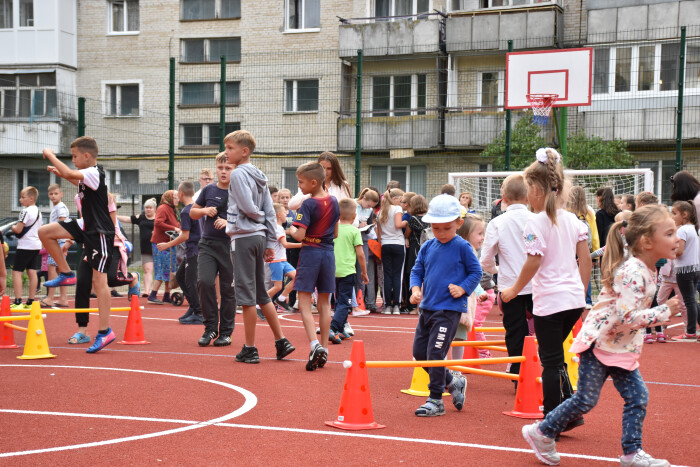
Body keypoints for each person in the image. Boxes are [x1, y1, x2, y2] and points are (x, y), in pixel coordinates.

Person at [522, 205, 679, 467]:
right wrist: (664, 311)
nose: (677, 239)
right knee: (586, 400)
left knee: (637, 397)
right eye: (670, 233)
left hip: (619, 348)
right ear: (647, 242)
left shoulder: (647, 269)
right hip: (599, 344)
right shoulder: (633, 273)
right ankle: (541, 432)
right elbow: (628, 316)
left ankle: (631, 453)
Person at [500, 148, 592, 421]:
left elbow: (532, 263)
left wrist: (513, 290)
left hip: (550, 303)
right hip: (573, 300)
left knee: (550, 362)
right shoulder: (574, 221)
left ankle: (553, 419)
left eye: (528, 188)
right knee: (555, 356)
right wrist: (581, 293)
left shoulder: (534, 223)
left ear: (536, 190)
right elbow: (585, 260)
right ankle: (569, 410)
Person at [39, 138, 116, 353]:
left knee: (99, 282)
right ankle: (65, 272)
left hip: (99, 232)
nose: (72, 160)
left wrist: (52, 154)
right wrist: (60, 172)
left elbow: (73, 174)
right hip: (86, 225)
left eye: (74, 157)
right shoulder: (89, 177)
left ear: (86, 156)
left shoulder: (93, 171)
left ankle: (104, 331)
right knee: (45, 232)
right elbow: (74, 179)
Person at [225, 130, 295, 363]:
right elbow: (269, 207)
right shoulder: (259, 174)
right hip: (258, 237)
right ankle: (281, 340)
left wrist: (255, 219)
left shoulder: (237, 175)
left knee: (246, 294)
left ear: (244, 151)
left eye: (230, 148)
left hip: (244, 237)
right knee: (261, 293)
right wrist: (266, 235)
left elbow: (248, 205)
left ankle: (250, 348)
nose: (226, 153)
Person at [409, 194, 481, 417]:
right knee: (420, 353)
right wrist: (415, 290)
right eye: (435, 228)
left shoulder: (462, 246)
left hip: (448, 310)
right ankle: (452, 381)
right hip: (427, 308)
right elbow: (417, 271)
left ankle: (436, 399)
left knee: (435, 353)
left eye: (446, 228)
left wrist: (463, 288)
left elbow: (476, 272)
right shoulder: (428, 246)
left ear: (459, 224)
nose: (439, 233)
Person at [480, 174, 535, 377]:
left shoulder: (497, 223)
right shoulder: (537, 220)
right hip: (537, 284)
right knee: (545, 330)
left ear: (503, 196)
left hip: (510, 286)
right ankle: (548, 370)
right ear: (528, 196)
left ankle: (517, 375)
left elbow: (486, 259)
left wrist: (497, 270)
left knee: (515, 331)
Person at [291, 161, 340, 371]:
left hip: (311, 253)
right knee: (324, 304)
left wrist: (290, 229)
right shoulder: (335, 201)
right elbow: (336, 233)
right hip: (329, 253)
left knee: (303, 302)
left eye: (301, 182)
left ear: (313, 182)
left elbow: (300, 234)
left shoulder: (308, 204)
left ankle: (314, 344)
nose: (300, 187)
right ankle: (325, 349)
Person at [190, 152, 236, 347]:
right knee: (204, 282)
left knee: (228, 290)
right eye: (220, 168)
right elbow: (193, 212)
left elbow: (251, 217)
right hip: (207, 243)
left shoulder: (239, 191)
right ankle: (210, 328)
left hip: (230, 245)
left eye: (228, 168)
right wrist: (203, 211)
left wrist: (229, 222)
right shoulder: (208, 190)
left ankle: (226, 332)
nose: (223, 172)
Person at [157, 181, 202, 325]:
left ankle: (199, 313)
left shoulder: (186, 211)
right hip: (196, 249)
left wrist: (167, 245)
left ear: (181, 194)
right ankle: (194, 307)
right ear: (193, 193)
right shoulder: (198, 208)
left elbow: (185, 235)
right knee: (181, 277)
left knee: (190, 282)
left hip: (193, 250)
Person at [330, 198, 369, 343]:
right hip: (347, 271)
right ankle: (333, 328)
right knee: (345, 302)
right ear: (354, 217)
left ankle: (340, 328)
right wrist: (364, 272)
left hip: (333, 271)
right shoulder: (354, 231)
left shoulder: (334, 229)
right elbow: (360, 254)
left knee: (339, 300)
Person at [456, 214, 494, 359]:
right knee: (456, 334)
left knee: (464, 331)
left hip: (472, 297)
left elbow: (473, 277)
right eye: (479, 234)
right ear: (466, 234)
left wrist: (479, 292)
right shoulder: (465, 250)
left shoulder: (471, 251)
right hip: (465, 298)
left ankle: (481, 354)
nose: (483, 237)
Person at [669, 201, 700, 341]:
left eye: (674, 213)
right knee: (692, 300)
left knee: (689, 301)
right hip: (695, 268)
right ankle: (693, 330)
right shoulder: (695, 228)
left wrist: (668, 251)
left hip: (684, 269)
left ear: (685, 214)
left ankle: (691, 331)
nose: (672, 216)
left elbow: (679, 251)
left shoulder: (682, 230)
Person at [10, 186, 42, 310]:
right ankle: (31, 302)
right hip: (35, 245)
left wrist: (13, 227)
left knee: (16, 271)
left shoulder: (25, 211)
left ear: (31, 199)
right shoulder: (39, 212)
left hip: (25, 245)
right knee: (32, 271)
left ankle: (18, 302)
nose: (20, 200)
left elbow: (18, 229)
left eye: (23, 197)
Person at [567, 186, 600, 309]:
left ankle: (570, 299)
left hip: (570, 248)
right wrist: (595, 254)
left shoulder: (566, 212)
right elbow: (594, 234)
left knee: (570, 273)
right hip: (585, 247)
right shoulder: (589, 213)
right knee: (585, 272)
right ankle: (587, 300)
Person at [118, 198, 156, 298]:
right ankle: (147, 291)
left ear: (154, 209)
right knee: (148, 270)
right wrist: (114, 216)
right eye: (146, 208)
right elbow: (128, 219)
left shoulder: (159, 218)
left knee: (160, 271)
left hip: (158, 248)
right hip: (146, 248)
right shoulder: (141, 217)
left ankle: (163, 292)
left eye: (150, 208)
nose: (148, 210)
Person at [376, 188, 406, 315]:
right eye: (401, 199)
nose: (402, 201)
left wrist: (381, 243)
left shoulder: (381, 212)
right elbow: (398, 224)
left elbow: (379, 233)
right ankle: (397, 305)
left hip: (385, 244)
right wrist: (407, 221)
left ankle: (388, 305)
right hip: (398, 243)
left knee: (387, 275)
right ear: (395, 199)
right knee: (397, 275)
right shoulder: (397, 209)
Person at [42, 184, 71, 308]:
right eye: (51, 194)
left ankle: (50, 298)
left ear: (61, 194)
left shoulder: (60, 207)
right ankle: (63, 298)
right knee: (61, 269)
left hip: (58, 241)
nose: (53, 196)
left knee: (51, 266)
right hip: (59, 240)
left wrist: (63, 242)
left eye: (56, 193)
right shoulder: (57, 207)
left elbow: (63, 223)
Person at [148, 190, 180, 305]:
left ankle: (166, 295)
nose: (178, 199)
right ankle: (153, 294)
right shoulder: (163, 208)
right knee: (162, 269)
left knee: (169, 269)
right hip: (160, 244)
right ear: (170, 198)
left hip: (170, 243)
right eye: (175, 197)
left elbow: (177, 224)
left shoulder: (173, 209)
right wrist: (174, 228)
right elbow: (158, 223)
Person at [268, 203, 301, 313]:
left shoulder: (279, 227)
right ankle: (259, 304)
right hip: (276, 261)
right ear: (278, 215)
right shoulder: (277, 228)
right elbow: (285, 244)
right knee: (277, 286)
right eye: (284, 212)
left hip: (282, 260)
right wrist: (302, 245)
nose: (286, 215)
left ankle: (281, 299)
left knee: (297, 277)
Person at [354, 187, 379, 315]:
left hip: (363, 240)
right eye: (368, 204)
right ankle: (347, 303)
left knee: (361, 272)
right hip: (351, 241)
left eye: (372, 206)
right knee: (349, 271)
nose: (369, 207)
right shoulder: (353, 205)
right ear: (364, 199)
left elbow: (370, 228)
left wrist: (367, 227)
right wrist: (357, 225)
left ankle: (360, 303)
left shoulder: (369, 211)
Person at [404, 195, 429, 315]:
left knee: (414, 274)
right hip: (429, 248)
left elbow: (407, 232)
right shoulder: (429, 218)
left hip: (416, 249)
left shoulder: (413, 219)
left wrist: (406, 238)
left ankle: (413, 304)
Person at [399, 191, 415, 312]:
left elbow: (404, 231)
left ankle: (407, 302)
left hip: (409, 248)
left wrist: (405, 237)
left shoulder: (407, 217)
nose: (401, 203)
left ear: (407, 204)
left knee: (406, 275)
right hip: (414, 248)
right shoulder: (418, 216)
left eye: (402, 202)